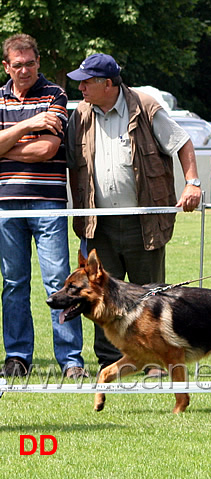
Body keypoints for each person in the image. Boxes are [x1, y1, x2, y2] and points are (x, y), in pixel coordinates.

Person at [66, 53, 201, 374]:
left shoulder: (146, 106)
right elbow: (72, 162)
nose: (81, 87)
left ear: (107, 83)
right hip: (98, 222)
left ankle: (156, 360)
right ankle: (109, 360)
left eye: (87, 81)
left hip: (144, 219)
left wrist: (192, 182)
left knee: (149, 292)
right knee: (101, 295)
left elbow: (182, 143)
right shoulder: (81, 114)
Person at [0, 34, 86, 379]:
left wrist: (6, 146)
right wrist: (30, 125)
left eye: (30, 63)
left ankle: (71, 360)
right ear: (6, 66)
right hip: (6, 205)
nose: (24, 70)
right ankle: (17, 357)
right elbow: (36, 139)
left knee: (58, 282)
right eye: (17, 64)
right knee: (13, 283)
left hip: (48, 202)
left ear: (39, 63)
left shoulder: (55, 94)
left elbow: (48, 150)